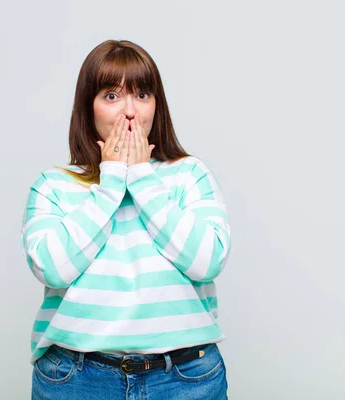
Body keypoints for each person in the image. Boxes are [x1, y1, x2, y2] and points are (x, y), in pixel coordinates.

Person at [21, 39, 232, 399]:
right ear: (88, 109)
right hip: (77, 379)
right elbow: (52, 269)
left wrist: (143, 180)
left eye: (143, 95)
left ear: (157, 106)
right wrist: (112, 179)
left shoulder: (189, 175)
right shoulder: (53, 185)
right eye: (112, 96)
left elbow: (207, 261)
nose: (130, 112)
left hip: (184, 380)